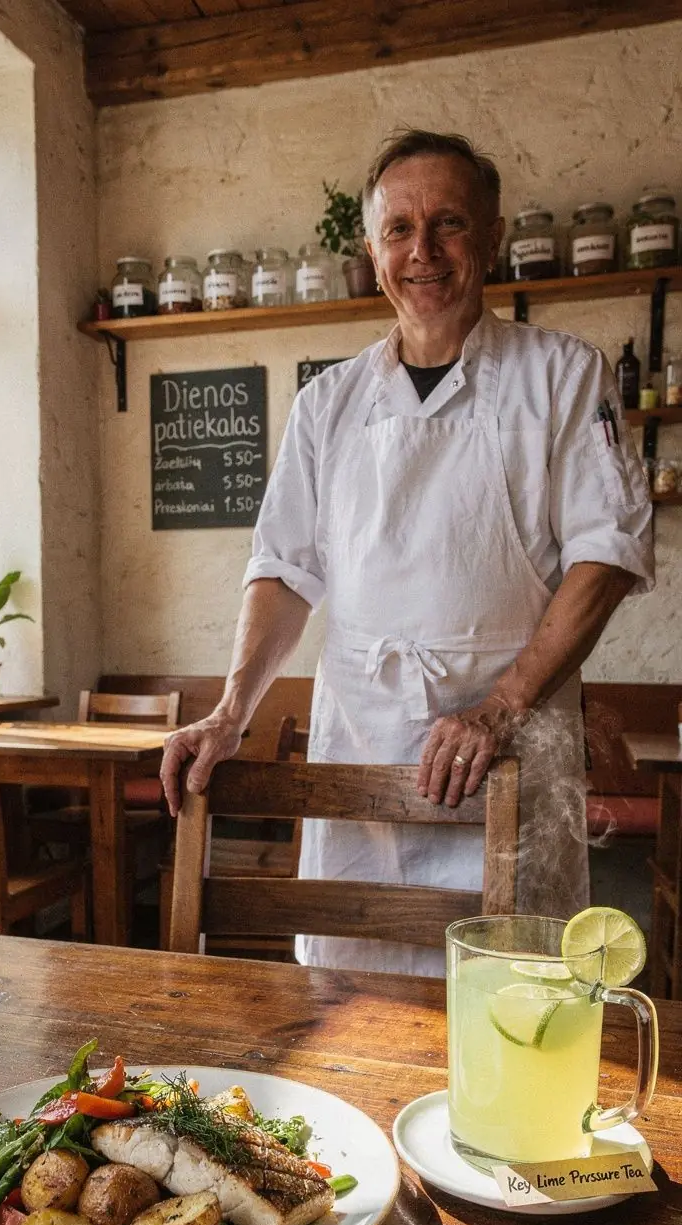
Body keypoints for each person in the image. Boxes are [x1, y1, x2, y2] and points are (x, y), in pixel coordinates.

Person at [161, 129, 654, 974]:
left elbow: (605, 555)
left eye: (448, 224)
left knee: (510, 994)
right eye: (398, 229)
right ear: (371, 248)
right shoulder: (329, 404)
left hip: (509, 748)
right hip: (360, 748)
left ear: (492, 237)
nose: (422, 250)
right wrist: (230, 712)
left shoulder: (564, 375)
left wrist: (501, 707)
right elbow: (283, 570)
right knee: (347, 995)